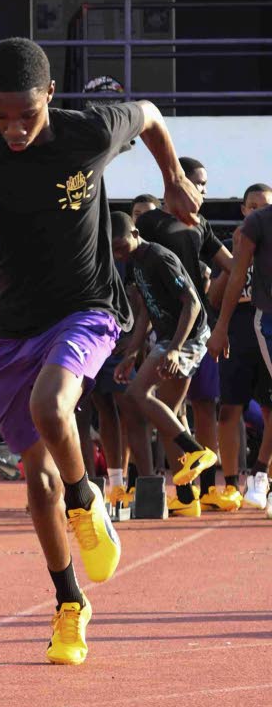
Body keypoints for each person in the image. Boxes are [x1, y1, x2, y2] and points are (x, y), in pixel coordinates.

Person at [0, 37, 201, 665]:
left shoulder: (87, 132)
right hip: (12, 328)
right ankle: (70, 603)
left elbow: (148, 112)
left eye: (26, 116)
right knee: (35, 482)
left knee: (52, 407)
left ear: (50, 98)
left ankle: (85, 498)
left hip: (86, 310)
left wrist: (172, 177)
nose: (12, 129)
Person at [135, 157, 233, 508]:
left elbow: (232, 267)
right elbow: (141, 279)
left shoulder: (201, 225)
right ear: (177, 185)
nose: (203, 192)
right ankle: (187, 492)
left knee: (183, 407)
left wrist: (214, 291)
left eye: (205, 185)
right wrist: (136, 338)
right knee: (169, 410)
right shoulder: (151, 222)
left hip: (191, 331)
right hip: (161, 328)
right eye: (198, 184)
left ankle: (195, 490)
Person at [111, 212, 215, 515]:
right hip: (165, 337)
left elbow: (192, 303)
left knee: (136, 395)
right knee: (166, 415)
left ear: (134, 232)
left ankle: (198, 452)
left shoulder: (158, 257)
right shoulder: (135, 261)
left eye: (120, 246)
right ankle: (185, 498)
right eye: (113, 250)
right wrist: (132, 350)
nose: (118, 254)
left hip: (187, 338)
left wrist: (174, 349)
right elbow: (145, 309)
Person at [208, 184, 272, 514]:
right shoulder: (235, 247)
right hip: (238, 328)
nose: (259, 210)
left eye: (265, 205)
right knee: (228, 408)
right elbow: (214, 298)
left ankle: (265, 480)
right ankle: (231, 483)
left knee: (269, 407)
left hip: (265, 320)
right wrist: (235, 259)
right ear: (245, 211)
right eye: (253, 205)